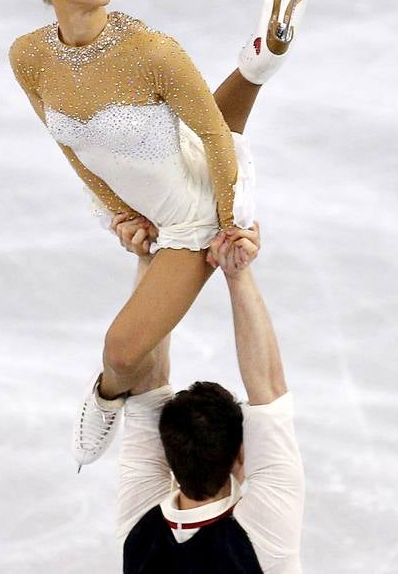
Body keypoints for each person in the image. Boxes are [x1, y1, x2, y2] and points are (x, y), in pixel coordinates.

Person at [7, 0, 308, 468]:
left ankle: (103, 396)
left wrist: (228, 226)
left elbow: (217, 141)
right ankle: (257, 63)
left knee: (122, 351)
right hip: (158, 176)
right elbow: (68, 143)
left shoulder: (151, 51)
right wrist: (119, 210)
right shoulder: (28, 57)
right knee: (184, 145)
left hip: (191, 215)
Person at [115, 223, 304, 573]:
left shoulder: (139, 532)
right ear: (241, 455)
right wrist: (237, 272)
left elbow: (147, 382)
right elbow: (270, 392)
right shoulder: (262, 538)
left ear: (168, 458)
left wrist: (151, 261)